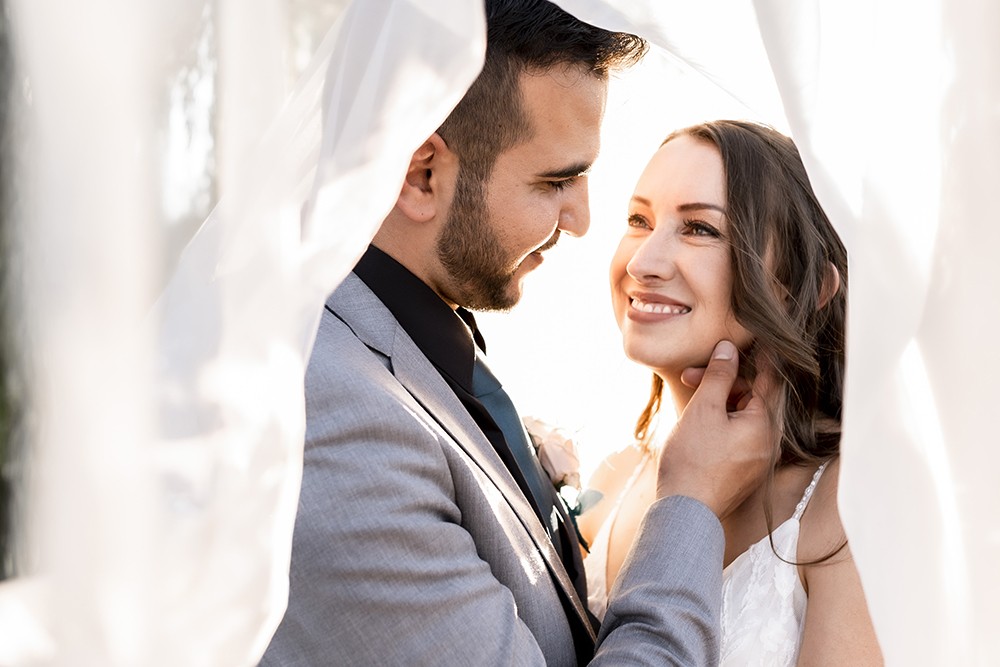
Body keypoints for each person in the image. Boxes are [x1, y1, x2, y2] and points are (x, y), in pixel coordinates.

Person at [261, 4, 775, 665]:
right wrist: (690, 502)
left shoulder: (408, 344)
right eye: (555, 181)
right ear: (423, 174)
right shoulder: (333, 413)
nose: (584, 220)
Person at [577, 120, 883, 664]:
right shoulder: (612, 483)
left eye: (699, 229)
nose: (643, 263)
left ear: (803, 287)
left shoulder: (851, 506)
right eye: (638, 220)